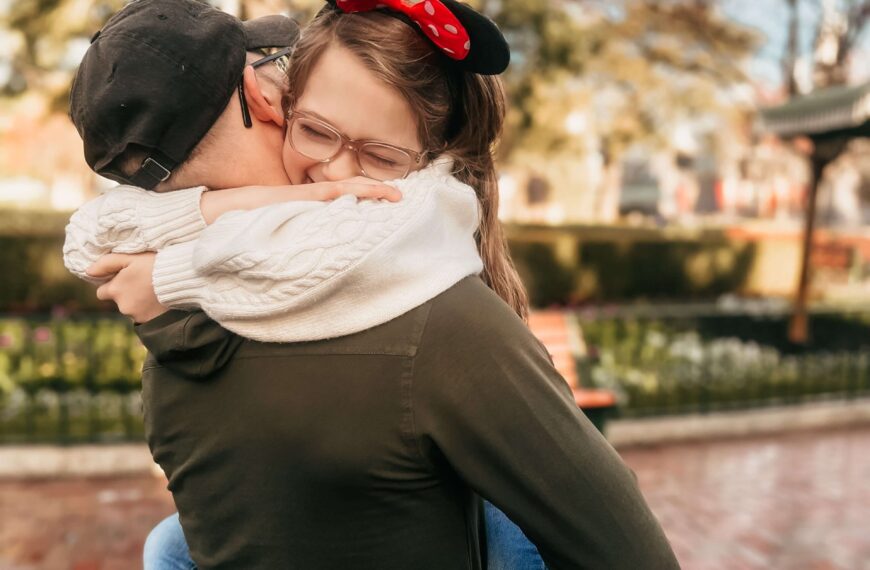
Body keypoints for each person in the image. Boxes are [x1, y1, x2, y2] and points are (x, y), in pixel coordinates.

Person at [67, 0, 681, 568]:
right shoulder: (443, 326)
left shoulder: (161, 306)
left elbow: (98, 232)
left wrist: (182, 263)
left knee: (167, 544)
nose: (334, 173)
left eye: (381, 157)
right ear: (268, 95)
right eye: (315, 130)